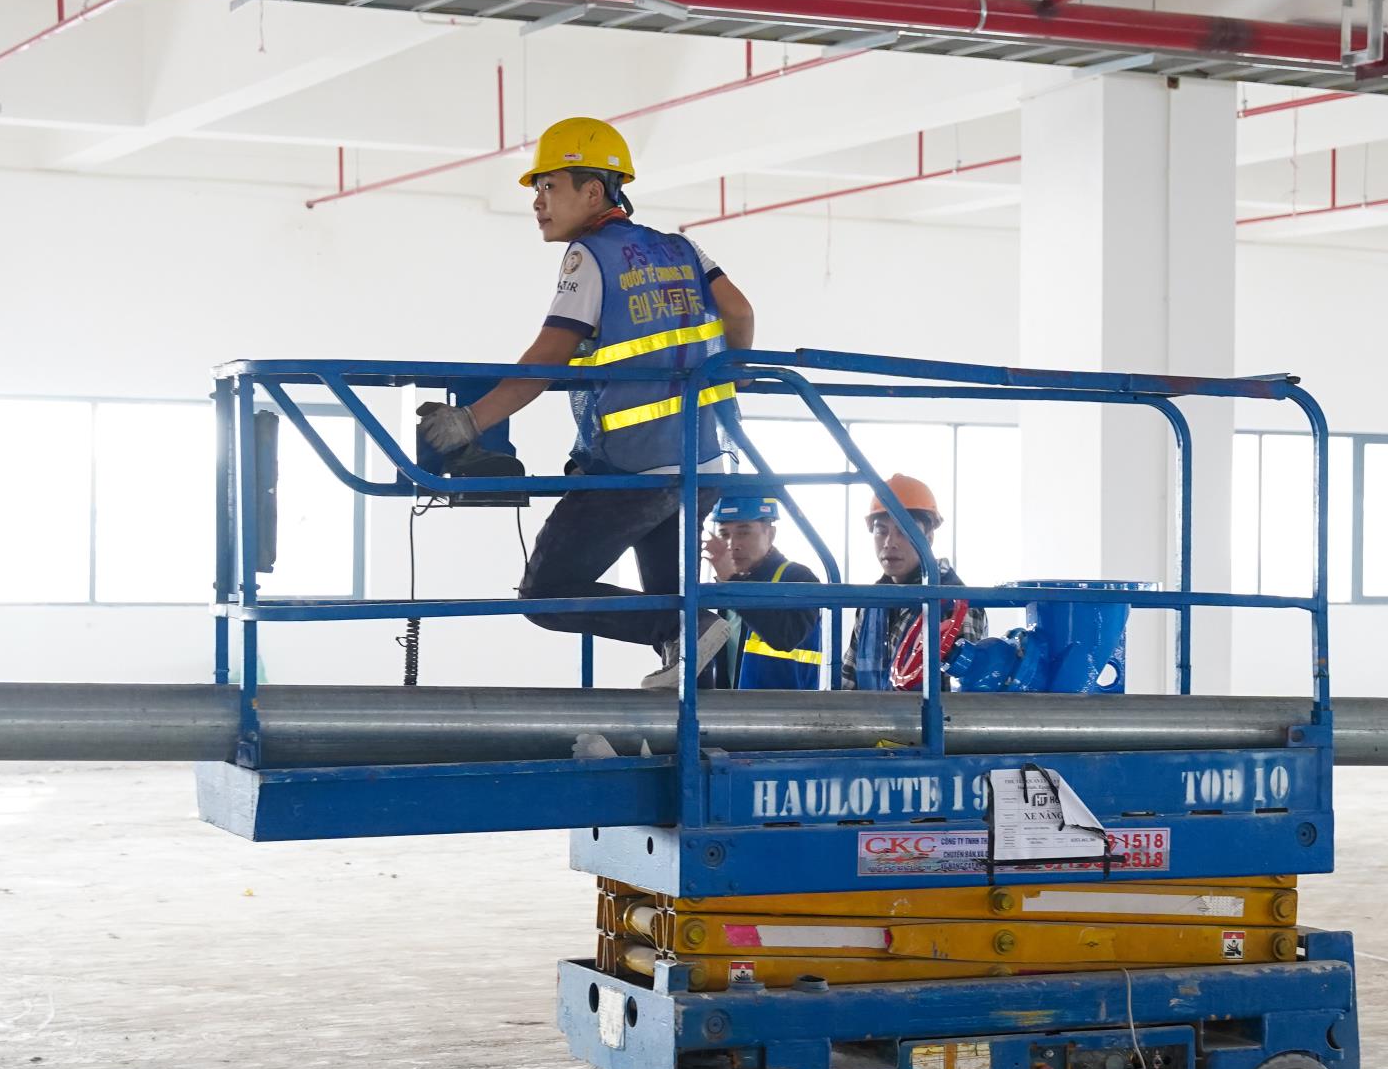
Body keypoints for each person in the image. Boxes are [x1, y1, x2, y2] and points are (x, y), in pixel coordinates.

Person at [414, 116, 755, 688]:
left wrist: (469, 421)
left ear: (593, 191)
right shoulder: (683, 248)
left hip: (632, 467)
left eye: (549, 186)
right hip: (704, 461)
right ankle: (699, 700)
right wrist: (732, 381)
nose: (538, 202)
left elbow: (546, 359)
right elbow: (740, 312)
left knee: (546, 593)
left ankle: (685, 638)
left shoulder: (590, 256)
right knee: (676, 607)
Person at [840, 474, 985, 691]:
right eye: (881, 531)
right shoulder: (870, 605)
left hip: (926, 716)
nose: (889, 543)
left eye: (903, 531)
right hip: (871, 714)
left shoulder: (957, 606)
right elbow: (847, 685)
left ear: (929, 536)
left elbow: (959, 698)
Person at [705, 492, 827, 688]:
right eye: (724, 534)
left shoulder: (799, 578)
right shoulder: (726, 588)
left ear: (770, 534)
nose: (733, 545)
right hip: (732, 706)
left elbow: (785, 637)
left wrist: (732, 583)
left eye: (743, 532)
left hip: (788, 706)